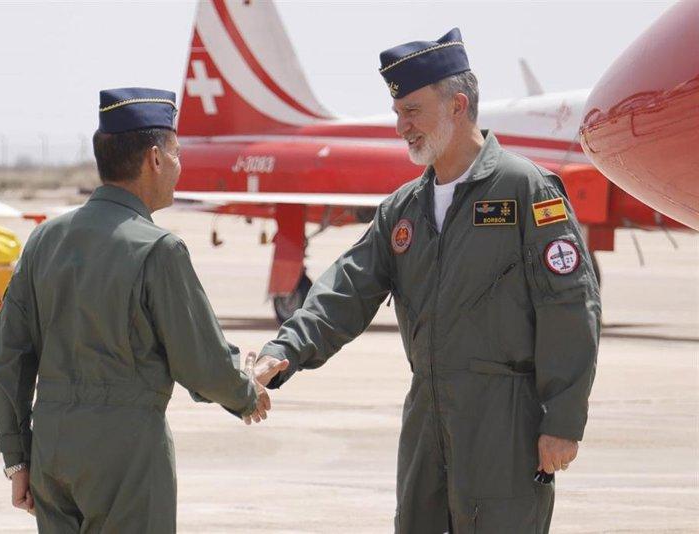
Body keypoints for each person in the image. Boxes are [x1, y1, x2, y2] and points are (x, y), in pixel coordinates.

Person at [253, 29, 601, 533]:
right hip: (427, 418)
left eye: (412, 111)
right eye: (398, 113)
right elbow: (345, 291)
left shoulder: (527, 190)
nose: (401, 127)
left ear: (458, 105)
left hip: (503, 422)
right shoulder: (403, 208)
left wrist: (563, 421)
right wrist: (282, 351)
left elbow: (570, 307)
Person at [0, 87, 287, 533]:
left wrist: (16, 459)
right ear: (155, 159)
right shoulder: (158, 249)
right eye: (177, 153)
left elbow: (5, 359)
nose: (180, 167)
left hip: (51, 452)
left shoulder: (45, 239)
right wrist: (245, 392)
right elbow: (199, 361)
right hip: (126, 456)